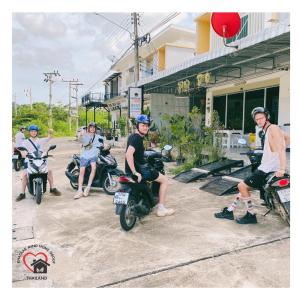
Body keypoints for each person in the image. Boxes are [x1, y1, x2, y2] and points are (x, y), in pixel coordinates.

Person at [214, 107, 289, 224]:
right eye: (257, 119)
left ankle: (251, 215)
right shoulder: (268, 129)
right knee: (245, 187)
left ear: (267, 117)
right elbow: (288, 138)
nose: (259, 121)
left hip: (267, 169)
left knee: (241, 186)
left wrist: (282, 168)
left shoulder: (273, 128)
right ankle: (230, 210)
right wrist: (274, 151)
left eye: (261, 118)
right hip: (265, 167)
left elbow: (281, 150)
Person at [125, 114, 175, 217]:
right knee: (165, 180)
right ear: (137, 125)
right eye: (143, 125)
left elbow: (135, 154)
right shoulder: (137, 138)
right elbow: (128, 154)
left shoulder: (132, 137)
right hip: (142, 171)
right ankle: (161, 209)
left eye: (147, 125)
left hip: (130, 170)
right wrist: (135, 172)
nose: (146, 127)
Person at [15, 125, 61, 201]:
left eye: (35, 131)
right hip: (29, 161)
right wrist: (23, 153)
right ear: (29, 132)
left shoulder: (41, 140)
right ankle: (22, 193)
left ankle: (52, 188)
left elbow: (49, 137)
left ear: (37, 132)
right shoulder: (25, 142)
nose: (33, 132)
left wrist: (50, 132)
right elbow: (21, 149)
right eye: (32, 131)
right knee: (24, 174)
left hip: (40, 160)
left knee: (49, 171)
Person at [74, 122, 104, 199]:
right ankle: (80, 190)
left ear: (95, 129)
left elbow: (103, 143)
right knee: (82, 171)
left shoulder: (98, 137)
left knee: (94, 168)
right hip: (84, 156)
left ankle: (88, 187)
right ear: (88, 128)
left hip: (93, 156)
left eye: (94, 127)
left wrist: (105, 145)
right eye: (91, 127)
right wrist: (80, 134)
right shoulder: (85, 135)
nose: (92, 128)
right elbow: (79, 139)